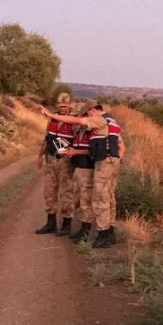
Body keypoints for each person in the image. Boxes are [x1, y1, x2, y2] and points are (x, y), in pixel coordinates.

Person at [41, 100, 125, 248]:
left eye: (87, 114)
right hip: (106, 162)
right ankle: (107, 232)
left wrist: (49, 114)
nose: (86, 117)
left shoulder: (100, 120)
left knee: (100, 197)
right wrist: (116, 159)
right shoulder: (110, 122)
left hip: (102, 163)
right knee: (106, 197)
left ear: (92, 110)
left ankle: (103, 234)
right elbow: (121, 146)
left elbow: (76, 120)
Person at [35, 92, 75, 235]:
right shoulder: (52, 120)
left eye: (65, 105)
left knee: (66, 193)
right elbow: (47, 138)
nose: (62, 108)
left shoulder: (74, 120)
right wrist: (40, 156)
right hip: (51, 160)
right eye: (60, 105)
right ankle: (51, 223)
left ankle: (66, 224)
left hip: (65, 162)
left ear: (70, 105)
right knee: (49, 192)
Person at [65, 114, 95, 243]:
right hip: (77, 168)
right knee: (77, 200)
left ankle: (86, 233)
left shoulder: (92, 131)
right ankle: (81, 230)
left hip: (88, 169)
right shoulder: (78, 131)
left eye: (82, 115)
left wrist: (76, 152)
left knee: (86, 201)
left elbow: (93, 150)